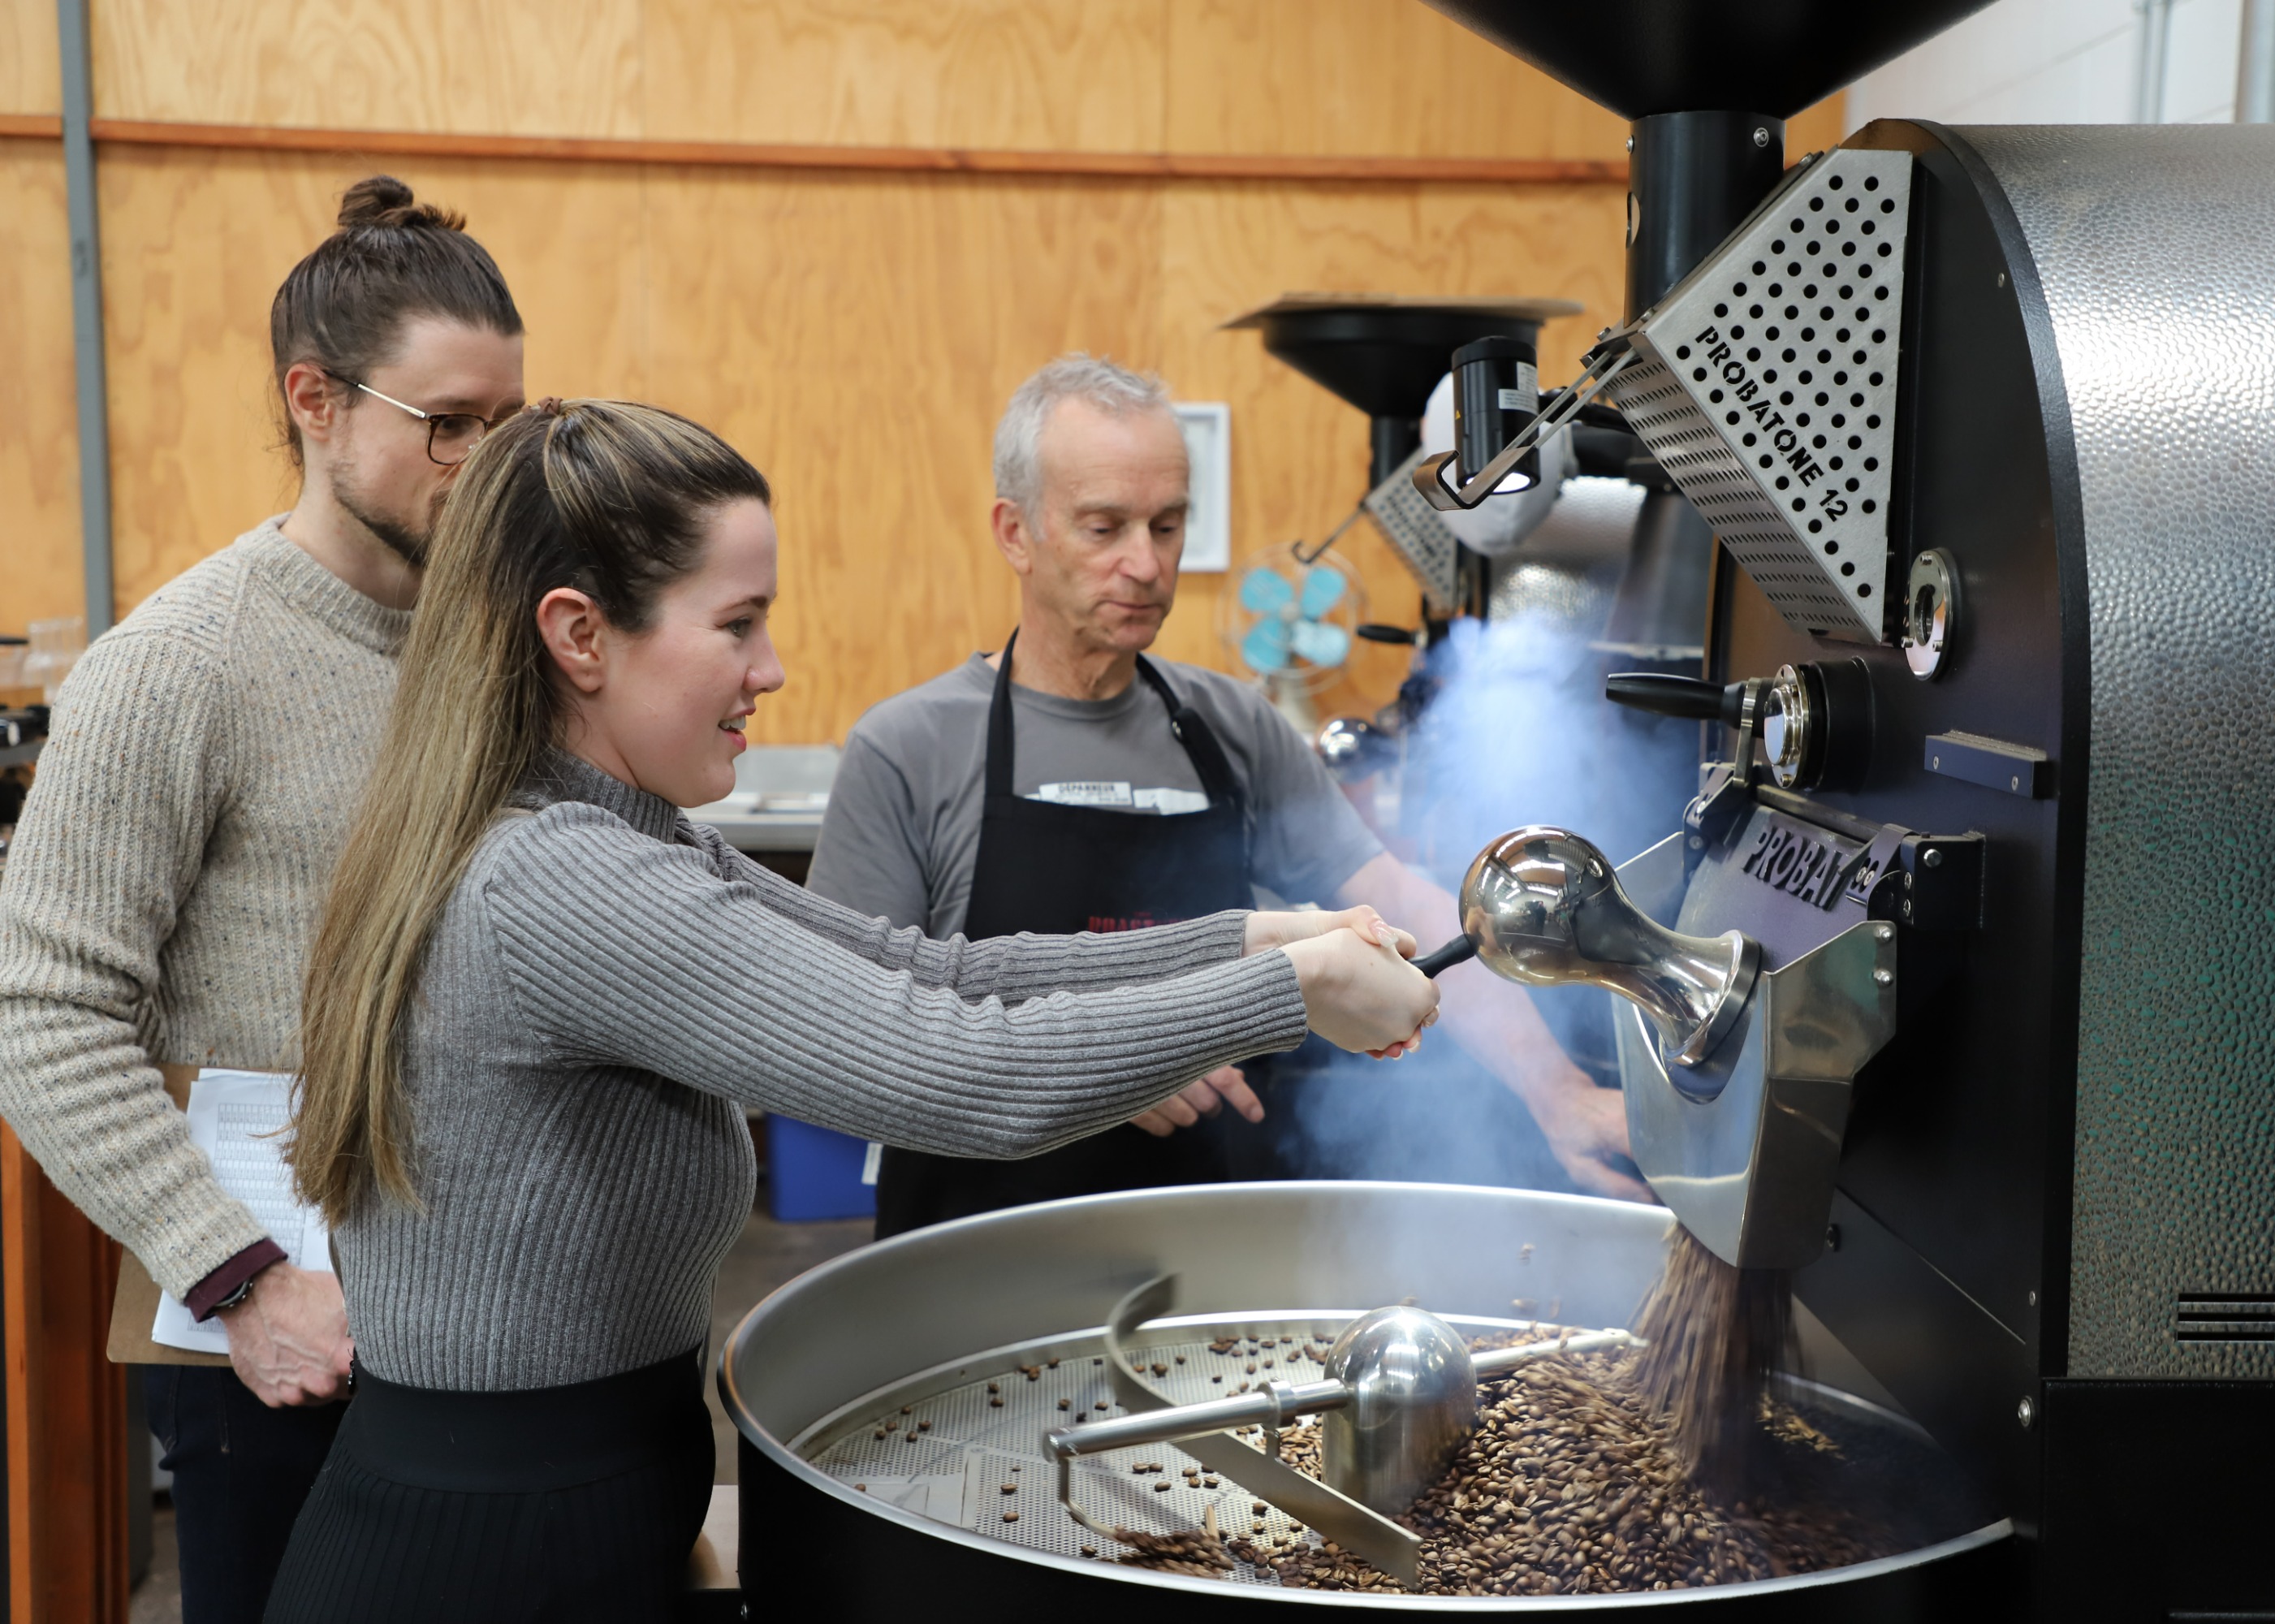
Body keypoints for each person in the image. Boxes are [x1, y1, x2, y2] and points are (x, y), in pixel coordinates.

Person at [262, 398, 1434, 1620]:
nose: (771, 670)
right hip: (482, 1557)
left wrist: (1255, 934)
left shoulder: (626, 834)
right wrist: (1285, 993)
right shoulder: (561, 881)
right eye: (737, 626)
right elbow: (958, 1068)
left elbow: (935, 970)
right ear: (580, 636)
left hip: (579, 1505)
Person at [0, 176, 524, 1622]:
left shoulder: (504, 652)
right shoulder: (176, 668)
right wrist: (238, 1282)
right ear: (316, 400)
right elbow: (42, 1020)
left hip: (486, 1317)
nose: (485, 465)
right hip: (275, 1343)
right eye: (450, 427)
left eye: (508, 425)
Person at [809, 356, 1649, 1237]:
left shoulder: (1232, 727)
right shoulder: (909, 747)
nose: (1145, 563)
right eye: (1104, 527)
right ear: (1015, 533)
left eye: (1167, 525)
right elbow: (851, 1039)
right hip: (974, 1248)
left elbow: (1404, 904)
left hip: (1204, 1244)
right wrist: (1109, 1065)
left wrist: (1561, 1093)